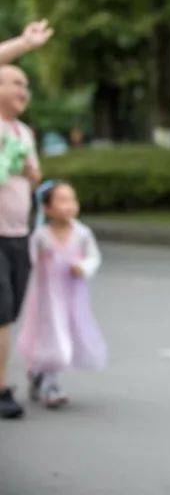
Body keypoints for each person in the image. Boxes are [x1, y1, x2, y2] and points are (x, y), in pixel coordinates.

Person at [17, 181, 107, 408]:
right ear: (46, 208)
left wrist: (83, 267)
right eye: (62, 200)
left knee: (66, 338)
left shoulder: (82, 234)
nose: (69, 206)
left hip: (73, 298)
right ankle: (50, 384)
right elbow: (29, 263)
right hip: (47, 300)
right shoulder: (41, 237)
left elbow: (94, 257)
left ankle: (41, 374)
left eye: (72, 200)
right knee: (54, 342)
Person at [0, 64, 45, 420]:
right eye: (16, 83)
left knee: (10, 310)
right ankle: (1, 389)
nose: (23, 91)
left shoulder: (24, 132)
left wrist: (31, 174)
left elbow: (33, 177)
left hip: (18, 233)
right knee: (1, 312)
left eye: (26, 85)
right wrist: (25, 44)